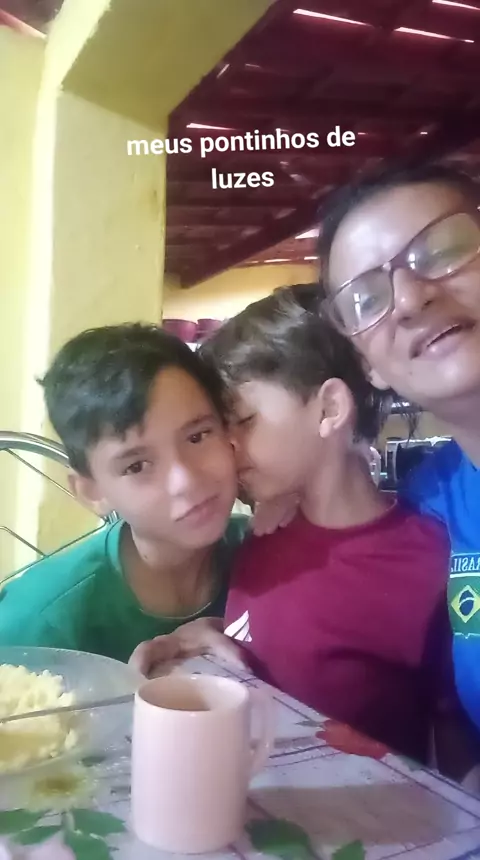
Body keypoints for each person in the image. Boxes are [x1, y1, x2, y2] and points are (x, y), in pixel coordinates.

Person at [132, 286, 466, 769]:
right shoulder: (263, 534)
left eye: (244, 421)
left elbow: (454, 736)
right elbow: (291, 646)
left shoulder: (428, 558)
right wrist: (204, 637)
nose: (226, 446)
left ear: (329, 409)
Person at [315, 163, 480, 733]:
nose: (410, 299)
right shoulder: (428, 503)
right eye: (366, 299)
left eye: (443, 250)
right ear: (370, 368)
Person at [0, 324, 248, 662]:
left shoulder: (269, 553)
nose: (185, 480)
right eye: (136, 466)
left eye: (197, 437)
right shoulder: (38, 625)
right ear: (92, 492)